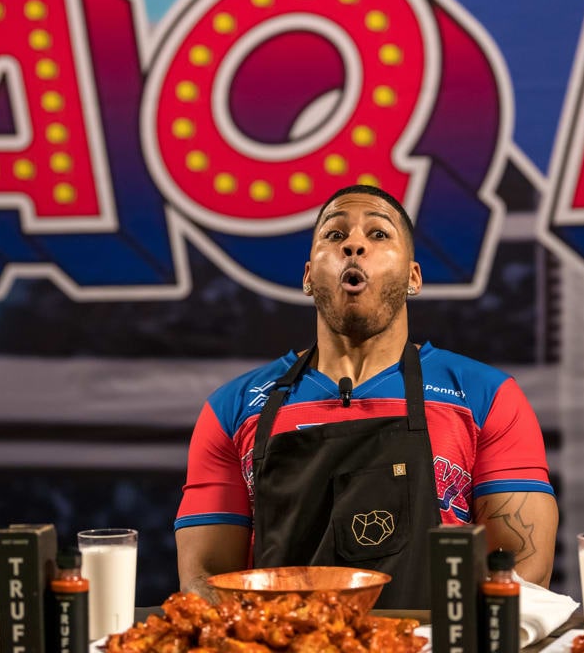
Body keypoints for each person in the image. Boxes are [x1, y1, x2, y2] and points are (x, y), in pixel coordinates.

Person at [174, 184, 558, 608]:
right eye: (335, 235)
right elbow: (206, 578)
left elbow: (524, 566)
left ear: (413, 277)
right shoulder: (234, 408)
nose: (354, 243)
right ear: (307, 277)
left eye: (378, 234)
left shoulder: (486, 397)